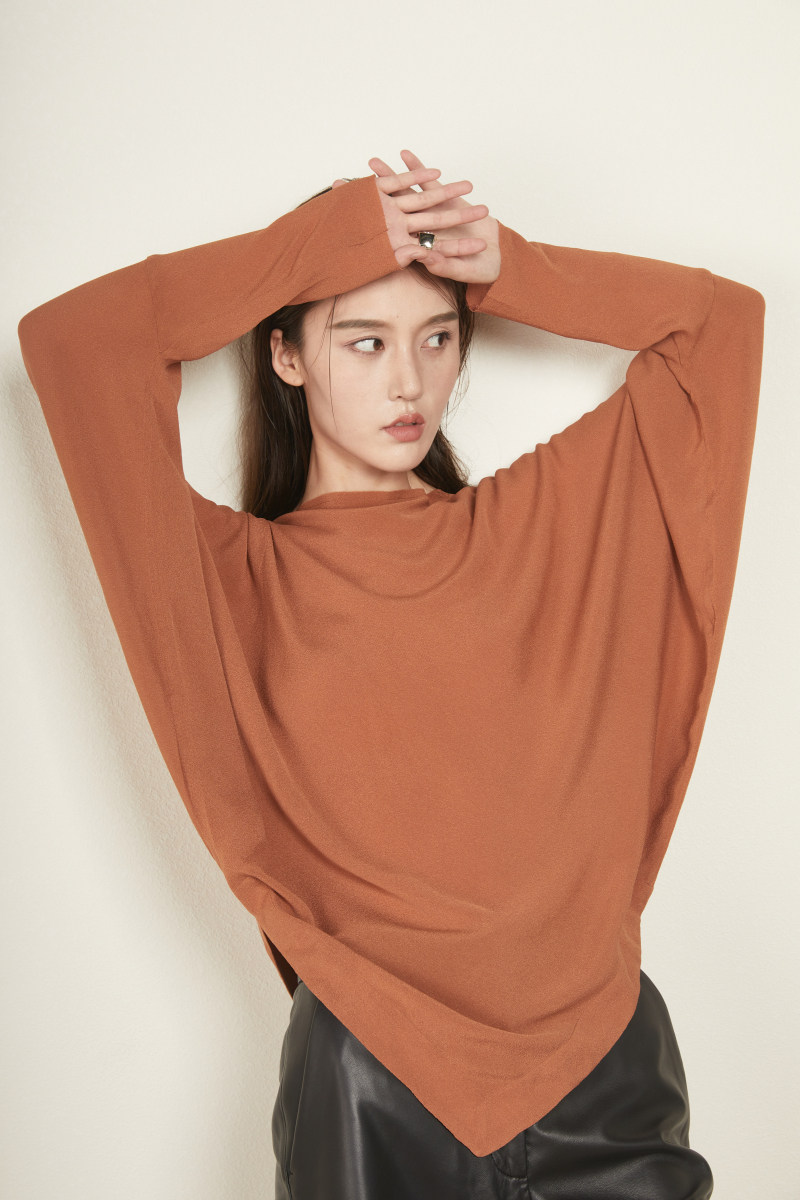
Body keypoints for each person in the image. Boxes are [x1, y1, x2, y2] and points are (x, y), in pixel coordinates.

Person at [17, 147, 765, 1198]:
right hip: (374, 1082)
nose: (408, 382)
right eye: (363, 341)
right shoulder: (228, 580)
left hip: (602, 1067)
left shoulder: (540, 529)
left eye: (436, 338)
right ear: (286, 355)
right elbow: (75, 342)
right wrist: (317, 245)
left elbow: (718, 330)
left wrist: (508, 266)